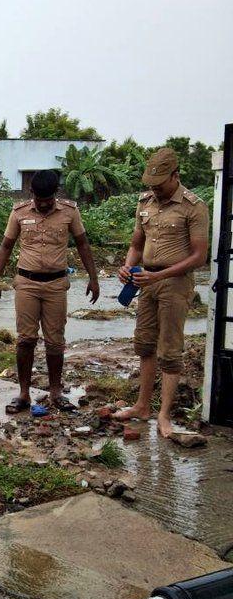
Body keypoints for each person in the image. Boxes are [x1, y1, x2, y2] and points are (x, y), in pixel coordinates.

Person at [114, 147, 209, 437]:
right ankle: (142, 406)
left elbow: (198, 256)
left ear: (175, 176)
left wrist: (160, 275)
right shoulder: (145, 203)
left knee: (169, 349)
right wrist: (127, 267)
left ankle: (164, 415)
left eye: (160, 184)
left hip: (175, 282)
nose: (154, 189)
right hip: (145, 280)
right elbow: (135, 244)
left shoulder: (194, 206)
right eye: (151, 185)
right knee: (144, 343)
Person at [0, 169, 100, 413]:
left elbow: (82, 243)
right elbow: (6, 246)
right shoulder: (19, 213)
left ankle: (56, 392)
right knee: (26, 340)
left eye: (48, 200)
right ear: (32, 194)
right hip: (26, 283)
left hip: (56, 285)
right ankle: (24, 393)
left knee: (55, 342)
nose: (44, 204)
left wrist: (93, 278)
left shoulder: (70, 212)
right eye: (40, 200)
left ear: (55, 194)